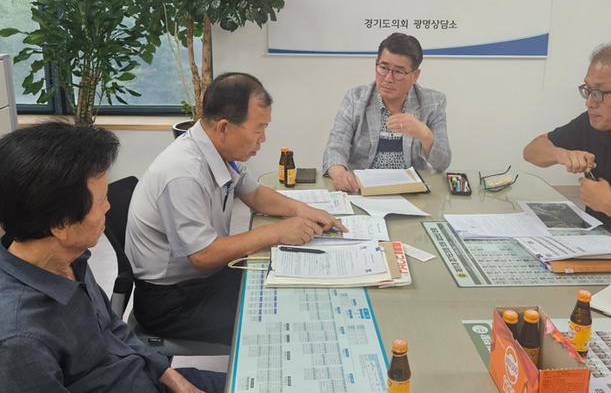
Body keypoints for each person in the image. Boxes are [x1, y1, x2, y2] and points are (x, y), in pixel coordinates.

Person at [0, 122, 226, 392]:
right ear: (61, 225)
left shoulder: (68, 258)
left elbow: (113, 328)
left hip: (146, 378)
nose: (108, 207)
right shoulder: (20, 339)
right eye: (100, 202)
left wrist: (174, 379)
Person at [126, 72, 345, 344]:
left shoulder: (219, 151)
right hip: (172, 301)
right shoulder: (183, 173)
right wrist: (277, 232)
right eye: (258, 129)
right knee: (282, 317)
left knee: (290, 283)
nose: (263, 139)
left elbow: (255, 194)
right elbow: (203, 255)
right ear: (224, 128)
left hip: (203, 279)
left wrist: (304, 210)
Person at [523, 42, 611, 252]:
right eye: (588, 90)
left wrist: (609, 204)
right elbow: (532, 151)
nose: (590, 103)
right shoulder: (594, 123)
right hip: (595, 248)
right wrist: (561, 154)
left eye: (600, 92)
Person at [323, 32, 452, 192]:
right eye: (383, 68)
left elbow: (442, 163)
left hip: (410, 193)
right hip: (362, 190)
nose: (388, 78)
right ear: (376, 64)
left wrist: (424, 134)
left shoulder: (433, 102)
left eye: (399, 72)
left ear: (415, 76)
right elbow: (335, 147)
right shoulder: (356, 98)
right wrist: (339, 173)